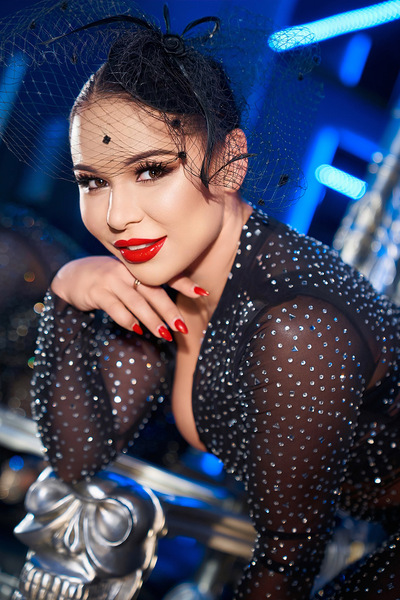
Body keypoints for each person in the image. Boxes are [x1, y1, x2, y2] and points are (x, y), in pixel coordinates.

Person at [2, 1, 400, 598]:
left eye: (151, 170)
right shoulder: (161, 280)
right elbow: (78, 457)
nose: (116, 216)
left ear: (230, 163)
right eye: (93, 181)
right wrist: (66, 294)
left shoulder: (296, 324)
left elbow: (286, 563)